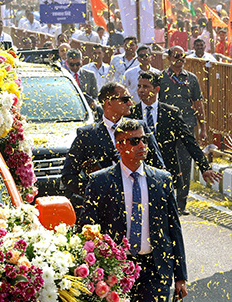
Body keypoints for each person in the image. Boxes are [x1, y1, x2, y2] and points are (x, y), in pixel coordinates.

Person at [79, 118, 187, 302]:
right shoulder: (100, 181)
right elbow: (87, 228)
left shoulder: (162, 180)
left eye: (144, 140)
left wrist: (181, 276)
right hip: (116, 269)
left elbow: (174, 229)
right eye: (135, 141)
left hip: (156, 268)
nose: (142, 145)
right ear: (119, 146)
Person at [61, 82, 164, 208]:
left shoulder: (140, 128)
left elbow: (159, 167)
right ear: (108, 102)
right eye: (125, 99)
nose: (130, 103)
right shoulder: (87, 134)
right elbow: (68, 175)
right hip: (106, 209)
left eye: (130, 99)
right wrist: (96, 192)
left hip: (140, 203)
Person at [133, 71, 222, 198]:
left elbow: (189, 141)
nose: (141, 90)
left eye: (146, 87)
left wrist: (204, 167)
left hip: (166, 173)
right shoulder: (131, 114)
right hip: (138, 172)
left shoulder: (171, 113)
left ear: (157, 89)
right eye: (139, 86)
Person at [159, 45, 207, 214]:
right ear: (169, 58)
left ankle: (181, 203)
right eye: (177, 56)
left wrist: (203, 128)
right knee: (166, 163)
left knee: (185, 164)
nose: (180, 59)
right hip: (166, 127)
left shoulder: (191, 78)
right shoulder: (161, 78)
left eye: (183, 56)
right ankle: (167, 200)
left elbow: (198, 103)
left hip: (186, 126)